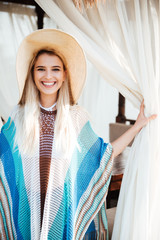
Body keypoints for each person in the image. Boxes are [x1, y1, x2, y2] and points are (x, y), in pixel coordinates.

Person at [0, 29, 156, 240]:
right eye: (41, 69)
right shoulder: (18, 117)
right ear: (32, 74)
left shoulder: (76, 118)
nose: (48, 76)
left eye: (55, 69)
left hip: (62, 211)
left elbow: (104, 155)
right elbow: (3, 160)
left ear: (64, 75)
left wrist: (137, 126)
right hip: (27, 209)